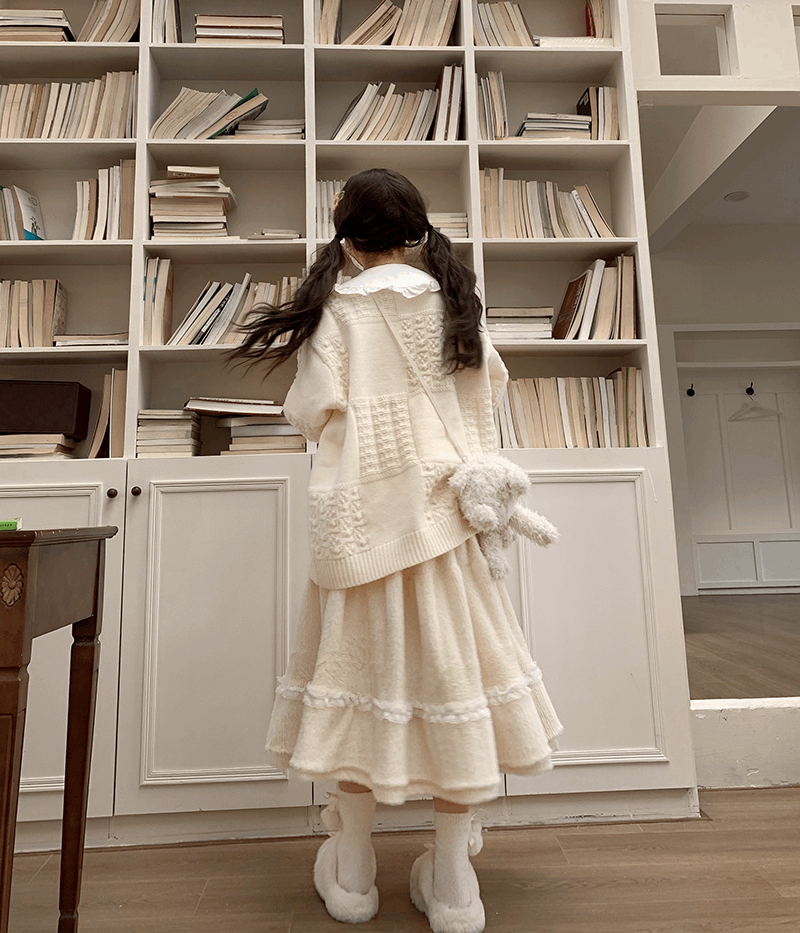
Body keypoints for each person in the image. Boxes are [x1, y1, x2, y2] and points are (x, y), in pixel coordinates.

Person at [233, 168, 563, 933]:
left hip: (361, 536)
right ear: (417, 234)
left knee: (352, 688)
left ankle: (351, 868)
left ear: (347, 240)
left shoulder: (333, 311)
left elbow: (313, 412)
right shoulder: (456, 305)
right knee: (456, 690)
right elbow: (487, 400)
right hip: (445, 527)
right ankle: (451, 880)